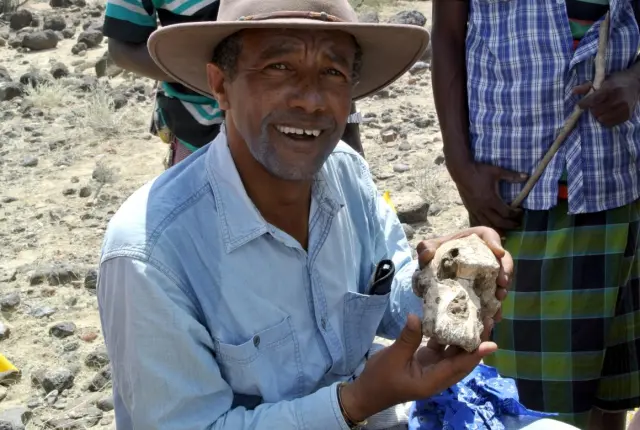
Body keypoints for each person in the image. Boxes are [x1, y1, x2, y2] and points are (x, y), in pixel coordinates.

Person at [95, 0, 519, 428]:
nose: (312, 101)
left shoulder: (346, 174)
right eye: (279, 67)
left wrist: (446, 279)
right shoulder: (149, 253)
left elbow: (391, 303)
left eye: (333, 73)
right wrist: (353, 403)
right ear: (220, 84)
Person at [431, 1, 640, 429]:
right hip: (518, 200)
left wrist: (635, 82)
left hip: (621, 179)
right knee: (531, 408)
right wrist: (459, 164)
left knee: (609, 398)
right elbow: (448, 35)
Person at [102, 0, 364, 168]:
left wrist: (350, 133)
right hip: (196, 133)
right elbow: (123, 46)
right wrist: (214, 74)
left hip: (299, 131)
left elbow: (329, 42)